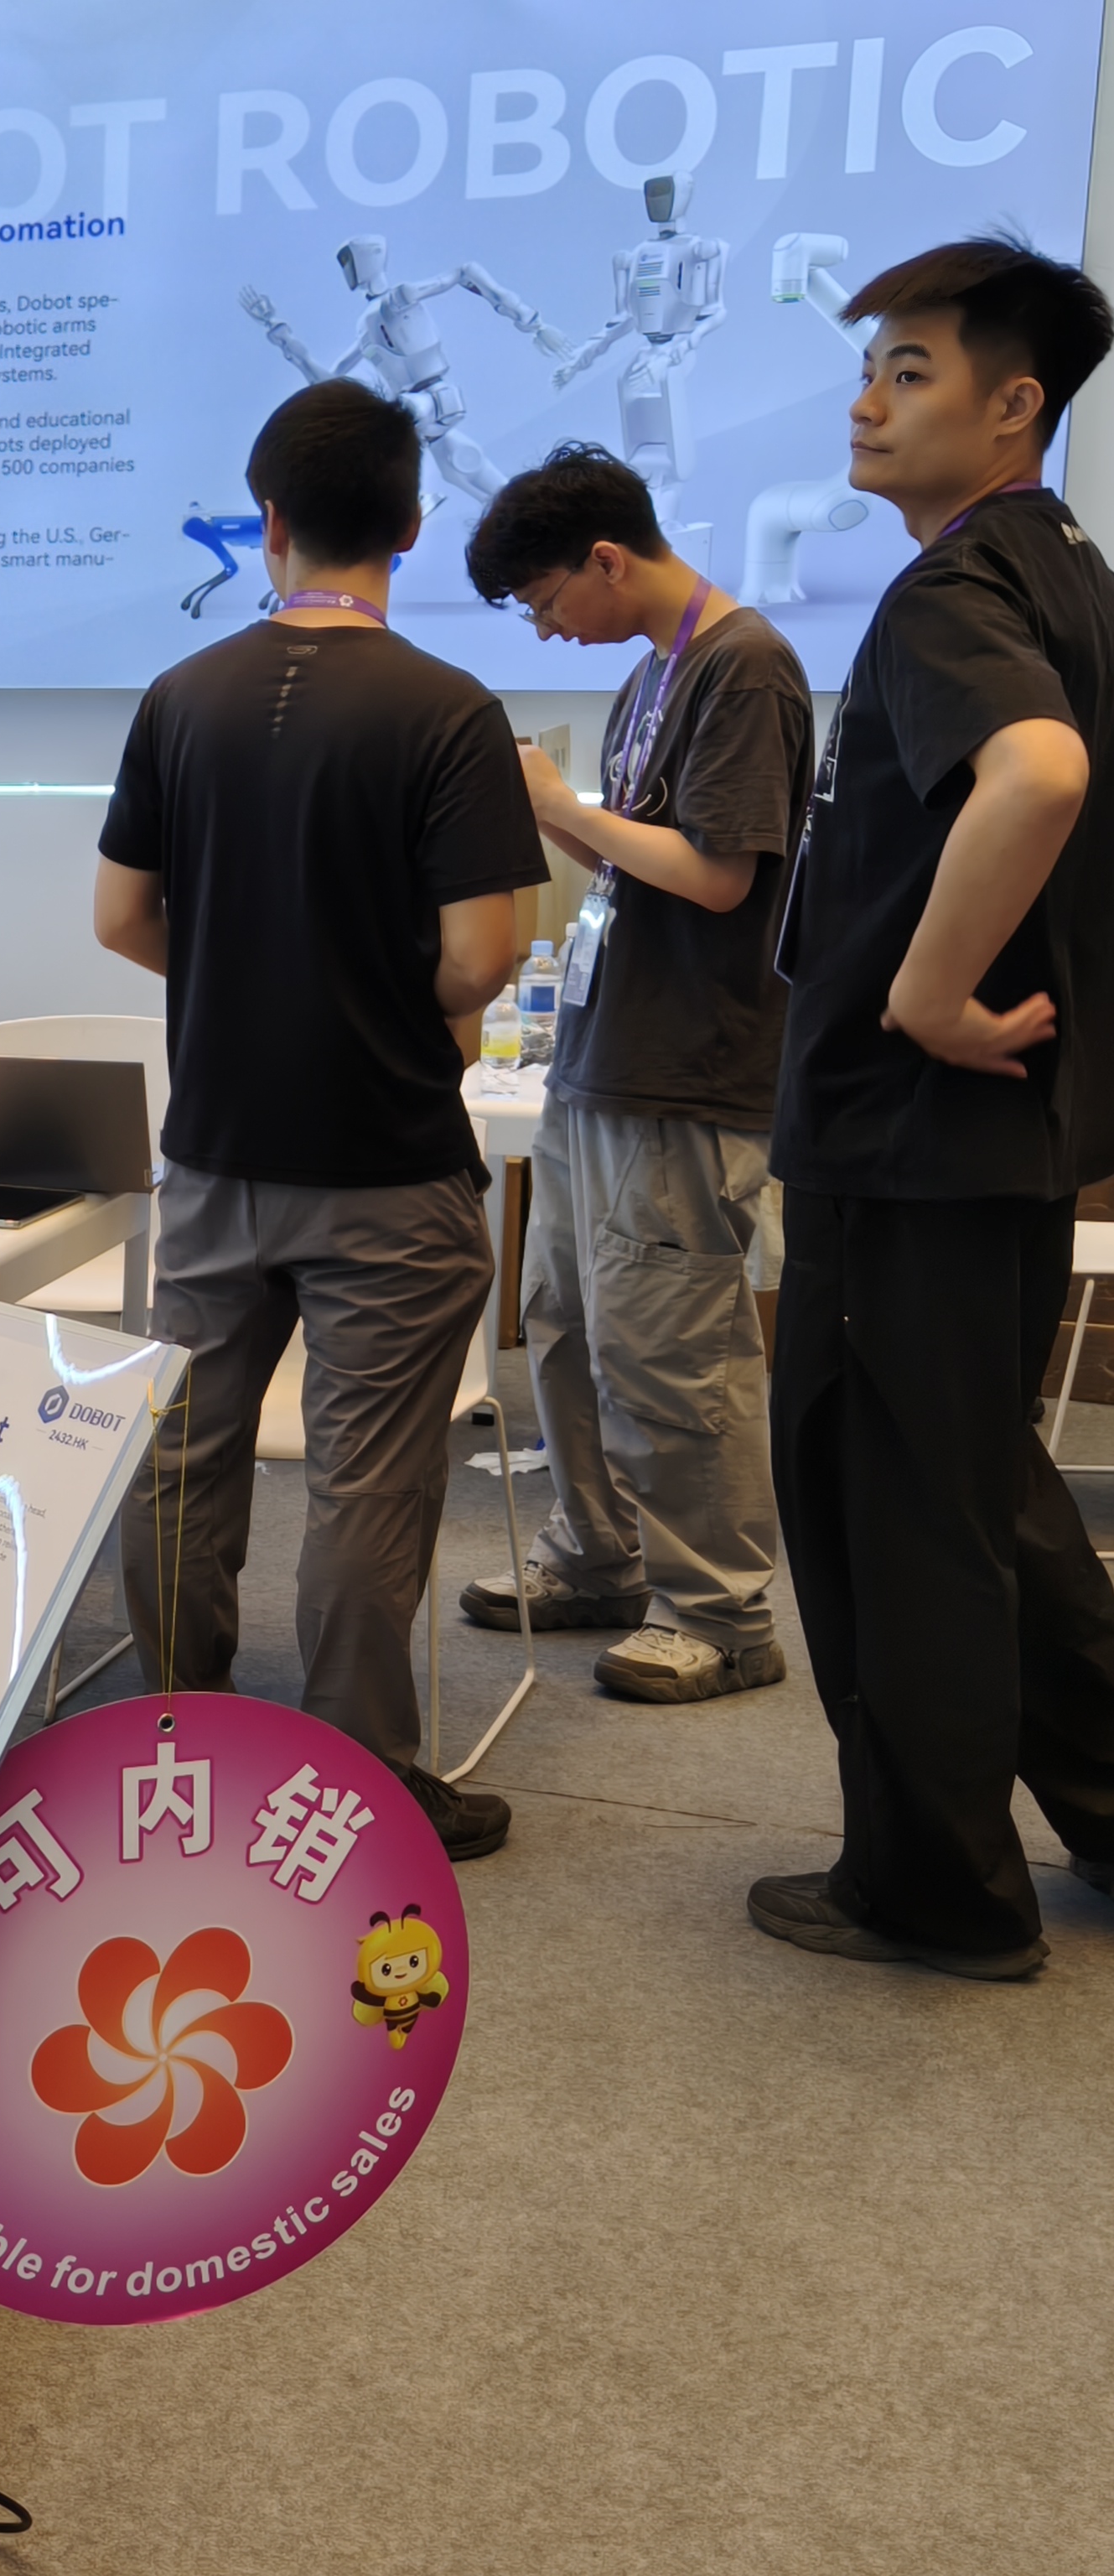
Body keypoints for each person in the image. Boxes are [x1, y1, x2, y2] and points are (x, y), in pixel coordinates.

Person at [95, 377, 542, 1860]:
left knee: (180, 1459)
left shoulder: (181, 697)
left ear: (268, 518)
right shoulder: (449, 710)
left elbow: (122, 919)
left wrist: (248, 970)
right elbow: (479, 959)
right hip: (386, 1165)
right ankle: (356, 1779)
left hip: (213, 1158)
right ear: (411, 526)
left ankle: (175, 1739)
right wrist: (368, 984)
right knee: (368, 1481)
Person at [754, 234, 1114, 1980]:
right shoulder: (1068, 572)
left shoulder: (951, 589)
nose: (865, 401)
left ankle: (933, 1892)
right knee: (978, 1497)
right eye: (868, 367)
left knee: (890, 1516)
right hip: (993, 1148)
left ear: (1011, 404)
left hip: (906, 1141)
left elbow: (1036, 773)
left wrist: (919, 994)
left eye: (908, 371)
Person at [456, 445, 812, 1706]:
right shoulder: (650, 675)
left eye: (547, 601)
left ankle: (719, 1612)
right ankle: (597, 1555)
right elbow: (634, 869)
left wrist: (559, 803)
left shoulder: (744, 664)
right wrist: (549, 817)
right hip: (603, 1057)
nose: (548, 629)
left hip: (688, 1071)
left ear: (607, 559)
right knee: (563, 1325)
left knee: (672, 1348)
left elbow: (718, 876)